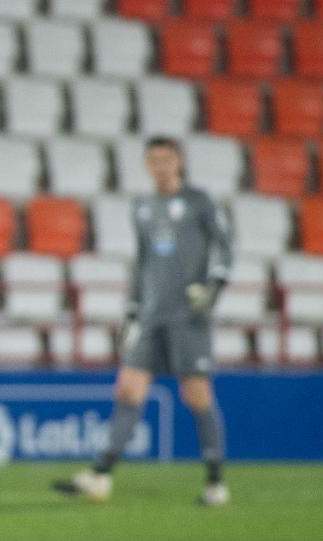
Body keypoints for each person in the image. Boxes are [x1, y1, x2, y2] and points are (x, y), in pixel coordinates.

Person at [55, 136, 233, 506]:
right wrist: (132, 312)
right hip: (152, 315)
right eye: (154, 159)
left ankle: (215, 483)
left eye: (167, 159)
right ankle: (100, 476)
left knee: (196, 394)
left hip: (189, 315)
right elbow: (143, 261)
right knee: (127, 389)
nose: (161, 166)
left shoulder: (199, 202)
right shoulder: (143, 207)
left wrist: (215, 284)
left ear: (179, 161)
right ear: (146, 164)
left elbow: (225, 244)